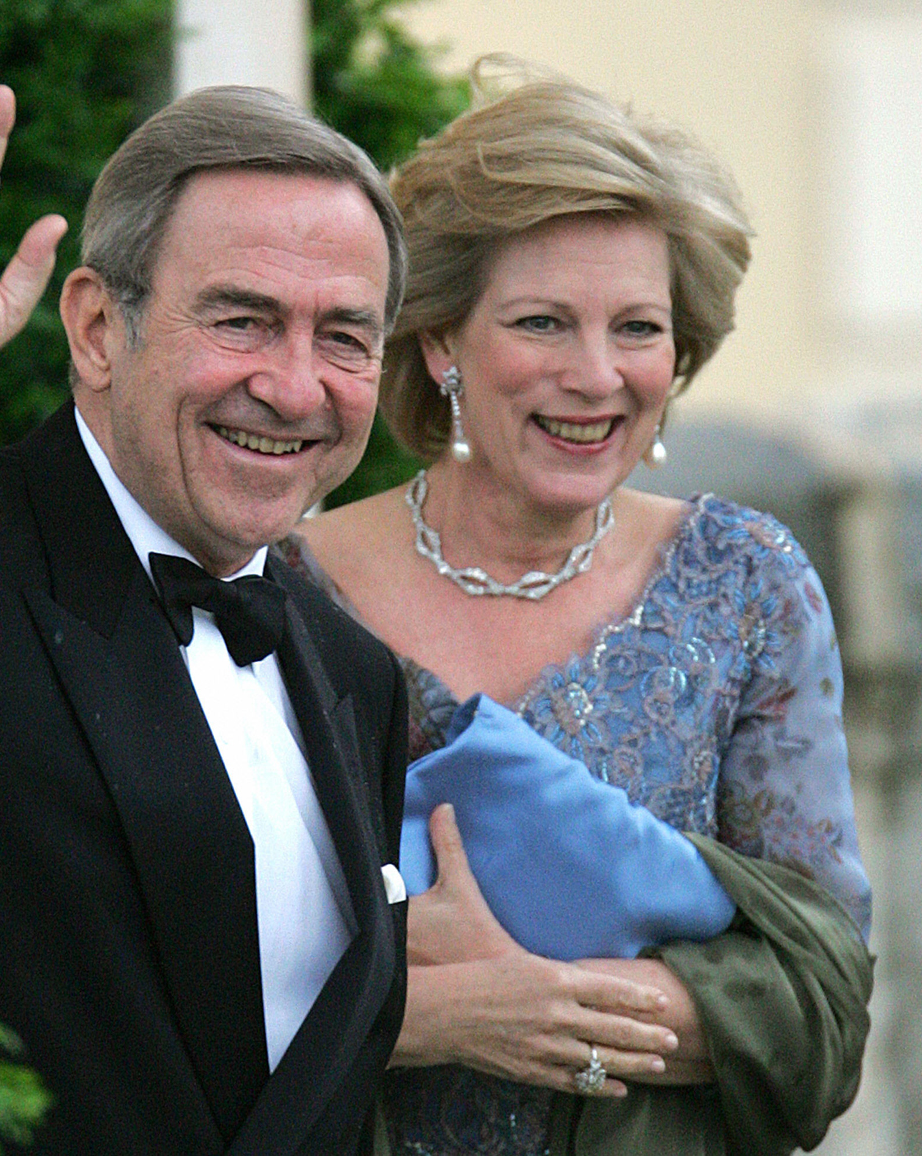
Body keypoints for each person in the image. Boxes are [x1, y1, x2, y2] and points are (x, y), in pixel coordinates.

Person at [0, 58, 519, 1156]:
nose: (296, 387)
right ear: (97, 329)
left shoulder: (352, 672)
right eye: (242, 319)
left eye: (343, 336)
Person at [284, 62, 874, 1155]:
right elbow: (188, 980)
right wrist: (424, 1019)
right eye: (544, 322)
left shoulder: (747, 582)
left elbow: (823, 1005)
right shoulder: (287, 591)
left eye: (638, 328)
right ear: (440, 340)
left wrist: (538, 1003)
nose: (597, 375)